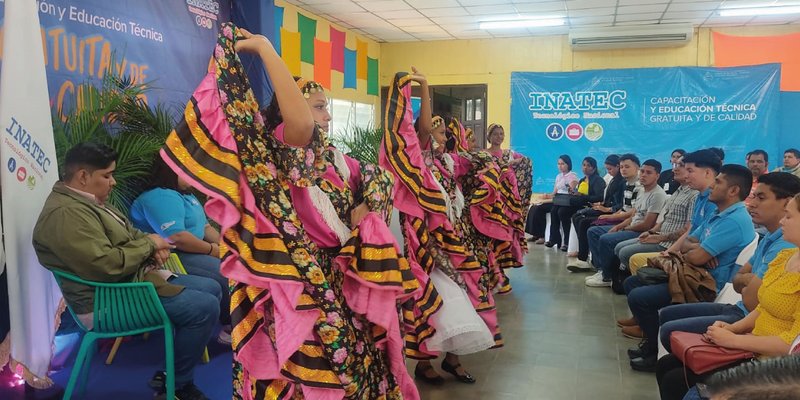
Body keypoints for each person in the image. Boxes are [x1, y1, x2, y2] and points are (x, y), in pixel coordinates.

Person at [162, 26, 421, 399]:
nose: (327, 117)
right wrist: (266, 49)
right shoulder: (282, 153)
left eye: (326, 108)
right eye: (319, 106)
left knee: (357, 367)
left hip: (341, 280)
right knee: (308, 373)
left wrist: (365, 207)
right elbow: (300, 126)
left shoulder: (334, 161)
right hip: (301, 286)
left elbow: (380, 178)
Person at [32, 143, 220, 400]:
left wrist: (150, 245)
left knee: (212, 288)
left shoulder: (87, 202)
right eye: (107, 175)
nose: (114, 182)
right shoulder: (66, 214)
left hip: (127, 284)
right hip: (105, 302)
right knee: (204, 306)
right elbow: (106, 266)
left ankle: (172, 375)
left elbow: (131, 233)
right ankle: (177, 384)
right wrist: (150, 245)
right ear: (83, 176)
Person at [381, 69, 498, 386]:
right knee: (436, 300)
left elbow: (480, 171)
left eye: (445, 132)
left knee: (466, 293)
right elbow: (417, 132)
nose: (441, 135)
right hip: (424, 244)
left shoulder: (450, 163)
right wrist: (423, 86)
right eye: (435, 131)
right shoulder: (418, 163)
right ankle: (426, 363)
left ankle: (453, 360)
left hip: (454, 241)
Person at [656, 193, 800, 400]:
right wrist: (734, 328)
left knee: (690, 389)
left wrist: (734, 340)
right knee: (668, 367)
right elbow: (763, 307)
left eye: (789, 216)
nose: (781, 221)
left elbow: (792, 345)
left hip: (779, 365)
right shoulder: (786, 257)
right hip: (753, 346)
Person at [625, 164, 756, 372]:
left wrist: (698, 251)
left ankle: (653, 352)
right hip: (692, 272)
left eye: (718, 181)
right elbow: (689, 242)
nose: (713, 185)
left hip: (703, 283)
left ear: (733, 191)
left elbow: (695, 255)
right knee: (633, 282)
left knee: (640, 297)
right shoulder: (719, 214)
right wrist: (699, 250)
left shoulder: (735, 220)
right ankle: (651, 342)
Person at [129, 157, 231, 345]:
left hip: (193, 251)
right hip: (169, 256)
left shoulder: (187, 196)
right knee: (225, 272)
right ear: (172, 170)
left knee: (235, 263)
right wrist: (213, 251)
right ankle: (230, 327)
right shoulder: (159, 196)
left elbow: (206, 228)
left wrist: (228, 249)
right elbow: (177, 238)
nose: (194, 176)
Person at [612, 157, 697, 295]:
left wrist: (658, 238)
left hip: (669, 244)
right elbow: (664, 220)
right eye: (674, 164)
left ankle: (639, 287)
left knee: (623, 251)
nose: (675, 168)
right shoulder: (679, 190)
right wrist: (651, 233)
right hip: (660, 237)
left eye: (683, 166)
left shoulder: (693, 195)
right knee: (618, 246)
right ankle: (630, 285)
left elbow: (688, 228)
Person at [584, 159, 667, 288]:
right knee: (593, 231)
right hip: (631, 227)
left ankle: (607, 277)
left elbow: (647, 225)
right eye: (642, 171)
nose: (643, 175)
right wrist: (618, 226)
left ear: (657, 176)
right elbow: (634, 215)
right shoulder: (642, 191)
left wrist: (624, 229)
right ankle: (601, 269)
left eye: (648, 172)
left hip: (639, 231)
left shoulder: (657, 195)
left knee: (606, 239)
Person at [567, 154, 626, 271]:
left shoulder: (621, 182)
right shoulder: (613, 179)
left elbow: (622, 205)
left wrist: (608, 209)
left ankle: (584, 258)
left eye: (610, 169)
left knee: (584, 222)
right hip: (606, 208)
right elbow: (608, 199)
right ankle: (584, 251)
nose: (608, 172)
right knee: (577, 216)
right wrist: (602, 205)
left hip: (615, 212)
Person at [547, 157, 606, 252]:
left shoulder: (598, 180)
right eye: (583, 165)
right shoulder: (582, 180)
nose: (585, 168)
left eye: (588, 166)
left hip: (587, 205)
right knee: (554, 210)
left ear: (594, 168)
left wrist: (582, 195)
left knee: (563, 212)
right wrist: (574, 192)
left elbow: (599, 197)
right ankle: (555, 239)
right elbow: (578, 194)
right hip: (577, 202)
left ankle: (567, 242)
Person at [525, 155, 578, 244]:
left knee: (540, 209)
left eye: (563, 164)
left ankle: (542, 236)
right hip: (556, 198)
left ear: (568, 164)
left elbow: (571, 192)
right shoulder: (558, 176)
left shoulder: (572, 176)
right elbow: (553, 193)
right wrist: (546, 196)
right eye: (558, 164)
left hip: (564, 201)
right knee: (533, 207)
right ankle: (535, 234)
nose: (560, 166)